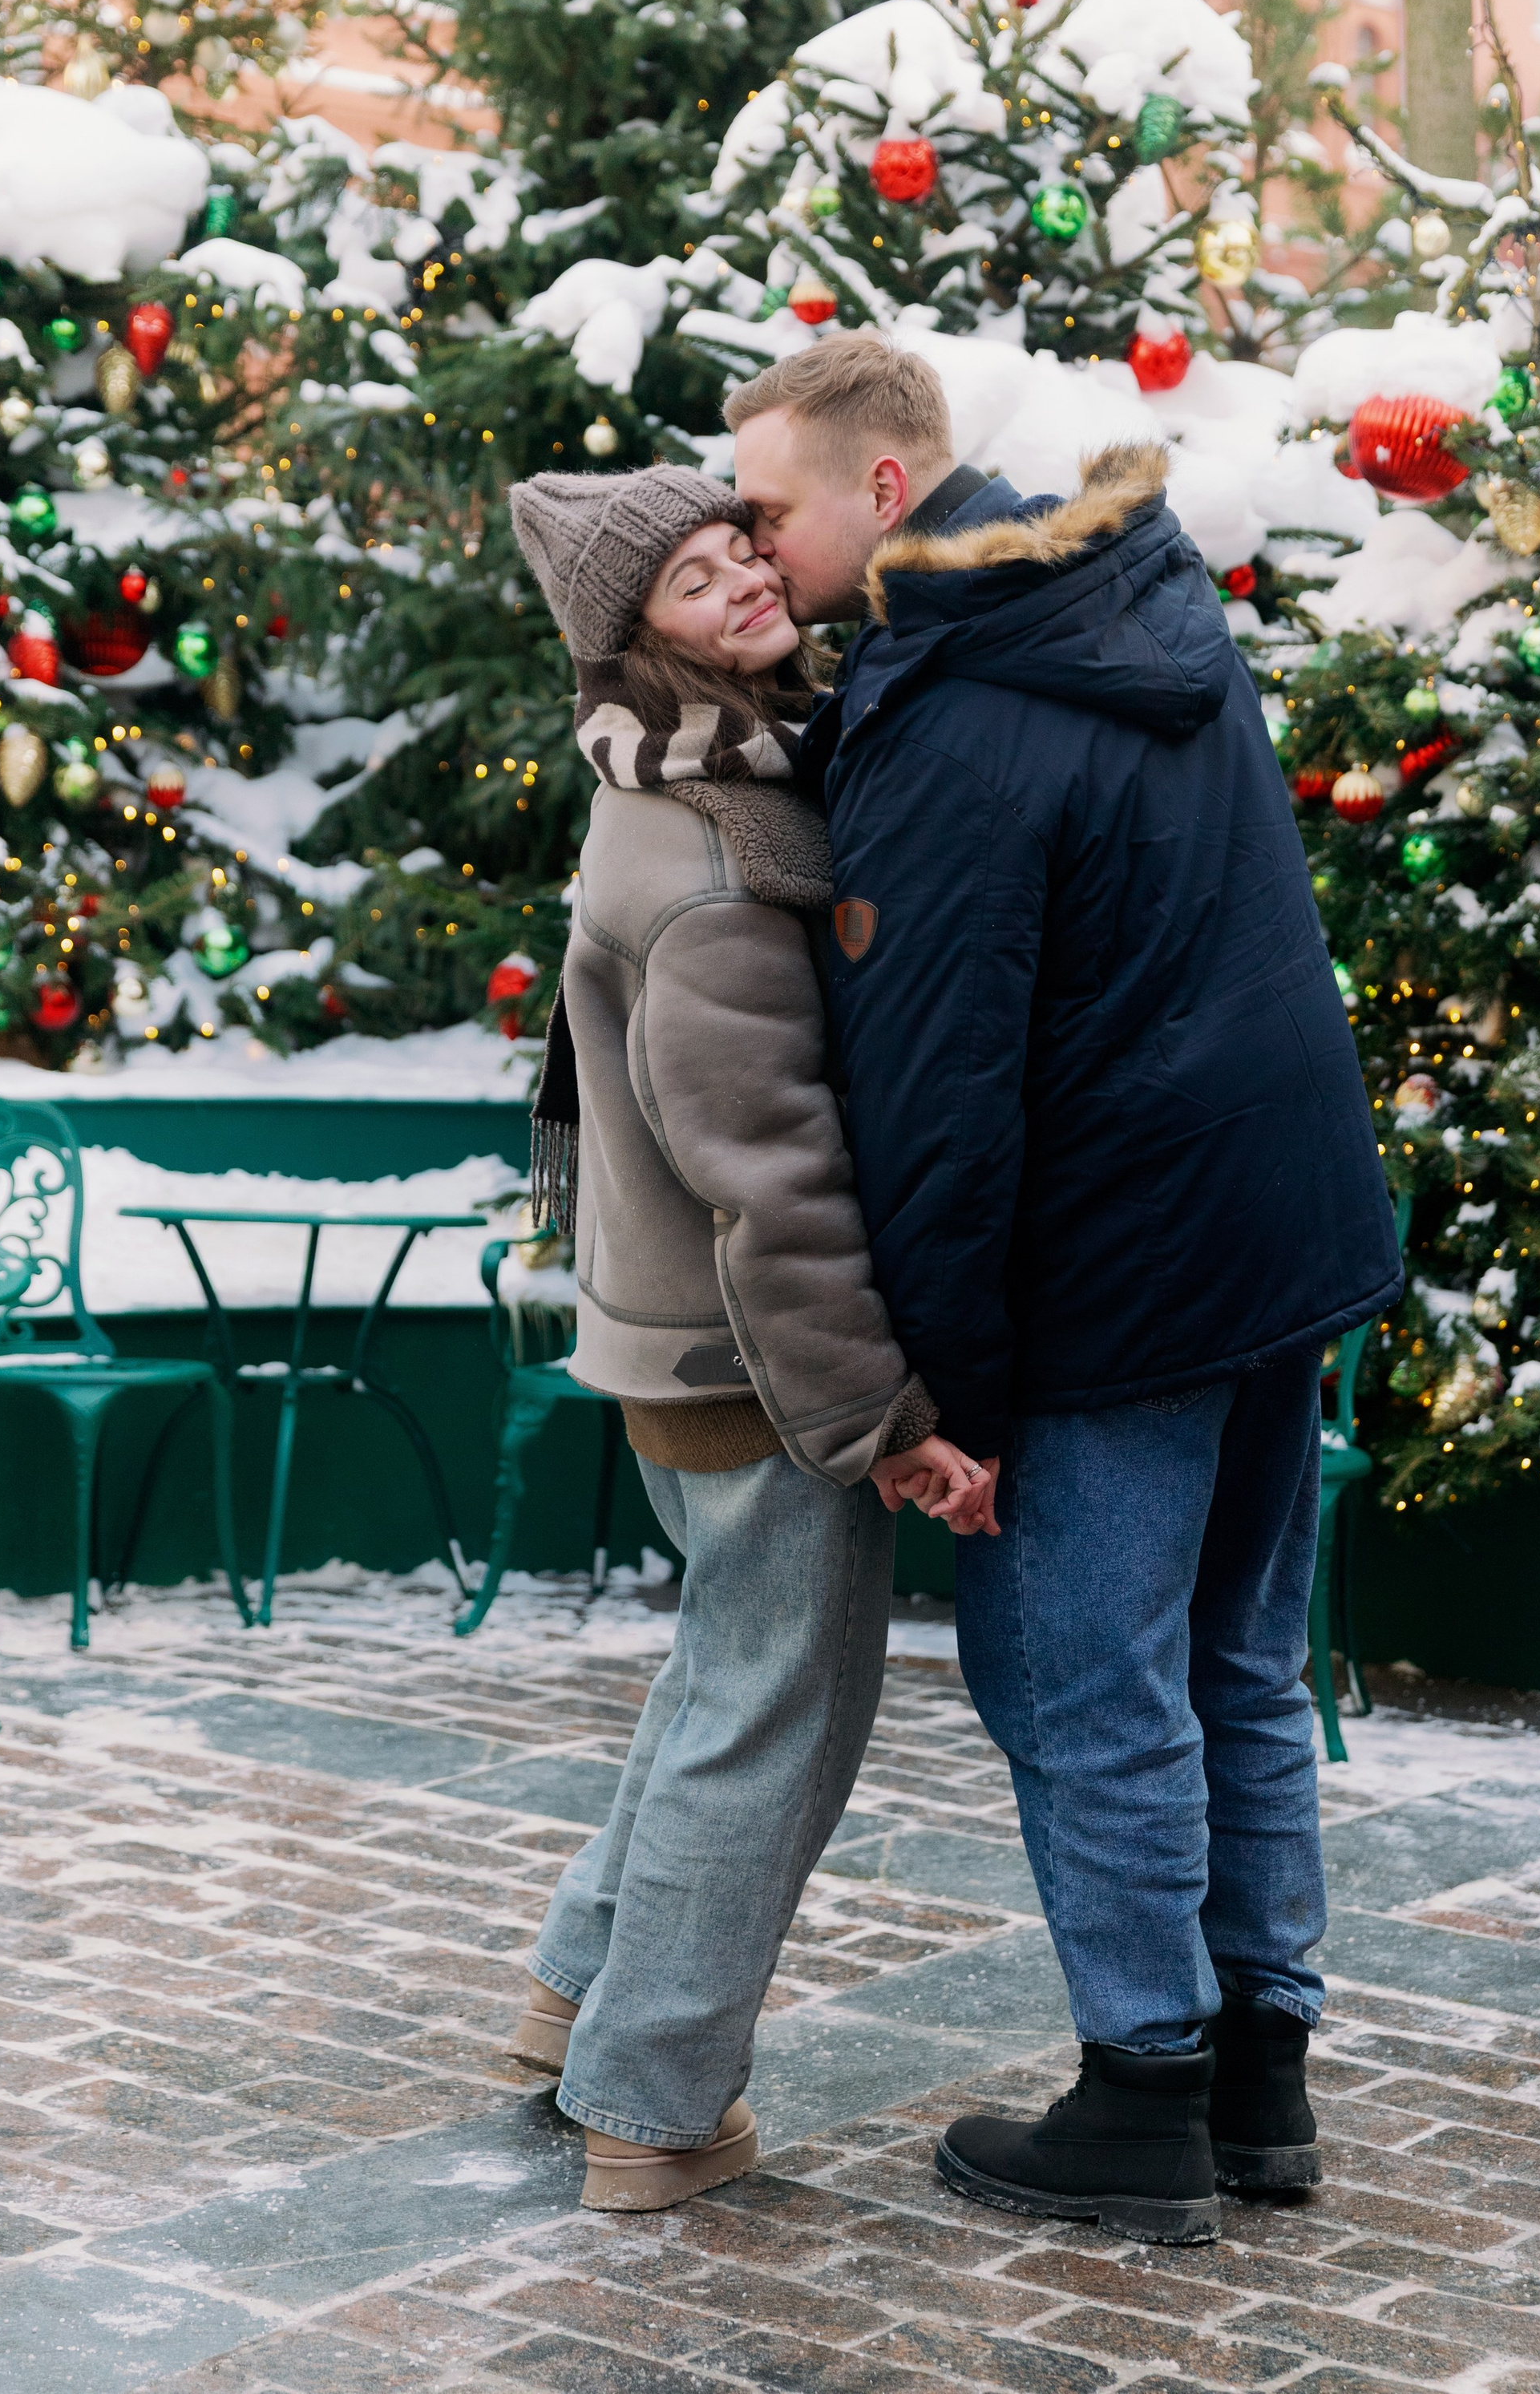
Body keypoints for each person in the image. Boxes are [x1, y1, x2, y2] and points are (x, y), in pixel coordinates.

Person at [730, 337, 1404, 2248]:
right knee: (1235, 1666)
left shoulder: (954, 707)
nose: (746, 546)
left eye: (766, 509)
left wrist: (942, 1403)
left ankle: (1139, 2103)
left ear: (880, 493)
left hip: (1119, 1264)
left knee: (1080, 1683)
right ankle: (1259, 2078)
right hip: (1274, 1235)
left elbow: (941, 1097)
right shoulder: (1130, 611)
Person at [504, 462, 993, 2214]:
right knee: (775, 1718)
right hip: (745, 1359)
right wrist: (874, 1415)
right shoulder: (717, 847)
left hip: (675, 1343)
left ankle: (574, 1992)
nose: (742, 590)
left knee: (721, 1675)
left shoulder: (702, 776)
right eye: (696, 583)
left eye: (741, 554)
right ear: (632, 636)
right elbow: (767, 1173)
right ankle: (650, 2104)